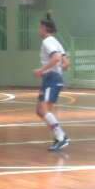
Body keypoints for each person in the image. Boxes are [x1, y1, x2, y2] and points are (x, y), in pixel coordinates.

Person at [34, 14, 70, 151]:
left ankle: (61, 137)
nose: (38, 30)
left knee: (44, 110)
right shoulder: (57, 42)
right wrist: (59, 71)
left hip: (51, 78)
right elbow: (66, 63)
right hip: (52, 78)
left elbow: (55, 58)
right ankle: (59, 136)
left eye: (39, 27)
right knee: (40, 110)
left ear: (44, 28)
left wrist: (42, 70)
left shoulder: (47, 42)